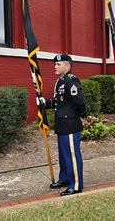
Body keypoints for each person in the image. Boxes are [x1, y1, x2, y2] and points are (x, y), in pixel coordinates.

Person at [37, 54, 85, 196]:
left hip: (70, 124)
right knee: (64, 156)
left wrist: (73, 116)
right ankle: (65, 178)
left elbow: (80, 103)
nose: (55, 66)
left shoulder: (72, 81)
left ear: (67, 66)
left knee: (72, 156)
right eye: (55, 64)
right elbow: (60, 102)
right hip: (62, 124)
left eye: (58, 64)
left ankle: (75, 185)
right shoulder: (60, 81)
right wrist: (45, 103)